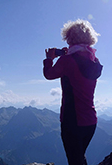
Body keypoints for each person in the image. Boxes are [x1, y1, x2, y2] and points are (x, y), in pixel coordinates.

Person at [43, 19, 102, 165]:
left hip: (72, 121)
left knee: (74, 160)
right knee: (79, 157)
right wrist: (67, 54)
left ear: (69, 38)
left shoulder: (67, 61)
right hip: (90, 121)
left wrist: (49, 59)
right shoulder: (94, 60)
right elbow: (78, 65)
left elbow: (49, 74)